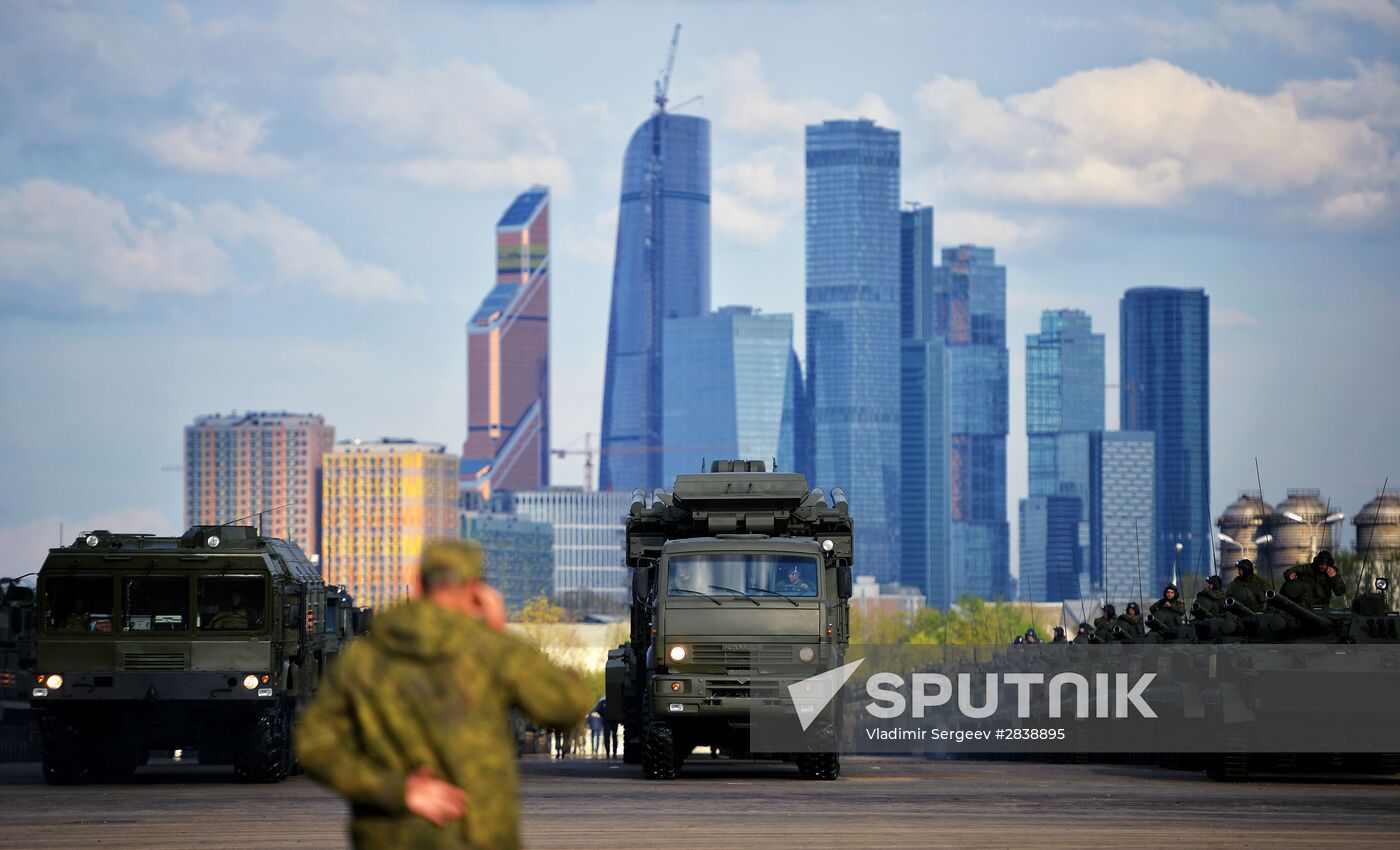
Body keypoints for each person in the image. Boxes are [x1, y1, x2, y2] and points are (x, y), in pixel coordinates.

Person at [295, 540, 592, 850]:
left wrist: (398, 790)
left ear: (417, 585)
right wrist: (497, 632)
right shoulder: (489, 652)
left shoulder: (365, 658)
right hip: (480, 835)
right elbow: (567, 705)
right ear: (476, 589)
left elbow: (314, 744)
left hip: (391, 837)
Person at [1281, 549, 1347, 608]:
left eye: (1326, 564)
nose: (1323, 567)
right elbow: (1289, 571)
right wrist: (1290, 575)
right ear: (1318, 562)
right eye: (1321, 564)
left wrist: (1334, 578)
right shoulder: (1310, 568)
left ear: (1329, 564)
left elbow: (1340, 592)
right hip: (1304, 603)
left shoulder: (1332, 572)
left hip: (1322, 606)